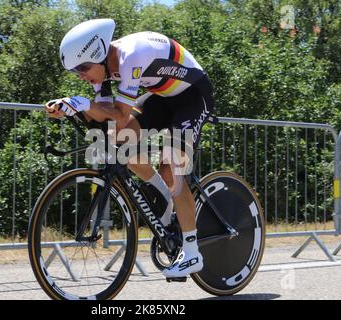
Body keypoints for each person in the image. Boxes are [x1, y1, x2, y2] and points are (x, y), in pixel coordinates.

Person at [45, 18, 214, 278]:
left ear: (100, 54)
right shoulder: (99, 71)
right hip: (162, 97)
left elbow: (120, 113)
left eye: (83, 68)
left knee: (175, 166)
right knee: (118, 139)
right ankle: (164, 196)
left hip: (192, 96)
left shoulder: (130, 56)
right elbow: (107, 117)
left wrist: (82, 103)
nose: (81, 75)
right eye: (75, 71)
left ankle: (192, 253)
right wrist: (69, 108)